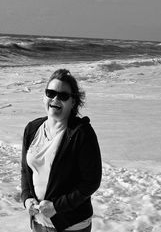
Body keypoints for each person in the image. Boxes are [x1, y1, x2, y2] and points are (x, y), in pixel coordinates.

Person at [21, 69, 102, 232]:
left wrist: (57, 206)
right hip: (39, 222)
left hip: (72, 225)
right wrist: (26, 198)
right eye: (50, 93)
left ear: (73, 102)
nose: (55, 99)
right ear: (44, 96)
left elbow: (91, 182)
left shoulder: (81, 133)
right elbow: (25, 170)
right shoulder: (32, 128)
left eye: (63, 96)